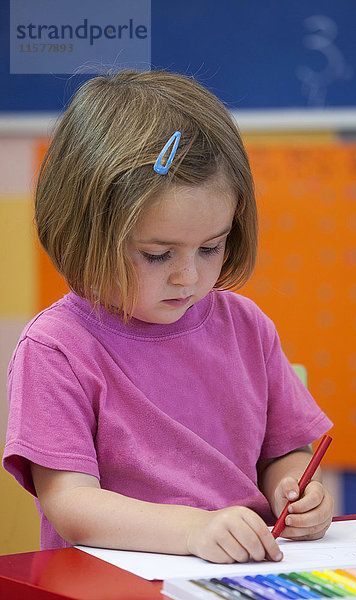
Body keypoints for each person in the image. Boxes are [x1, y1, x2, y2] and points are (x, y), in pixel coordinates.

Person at [3, 69, 333, 564]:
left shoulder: (246, 326)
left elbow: (283, 451)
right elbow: (69, 503)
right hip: (113, 581)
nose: (188, 277)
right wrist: (194, 530)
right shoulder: (56, 348)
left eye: (211, 247)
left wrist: (296, 490)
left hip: (238, 574)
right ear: (84, 233)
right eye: (158, 255)